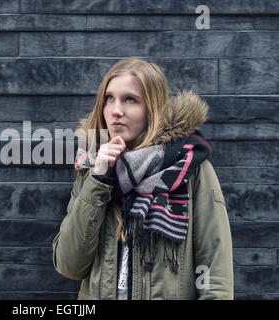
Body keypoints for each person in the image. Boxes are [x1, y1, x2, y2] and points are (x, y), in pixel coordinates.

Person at [52, 58, 233, 300]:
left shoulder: (190, 168)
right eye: (109, 98)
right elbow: (69, 265)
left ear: (153, 107)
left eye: (130, 99)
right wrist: (98, 180)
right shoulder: (91, 168)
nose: (116, 110)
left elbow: (215, 276)